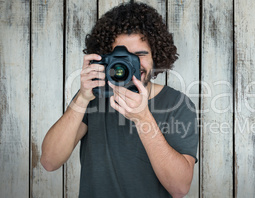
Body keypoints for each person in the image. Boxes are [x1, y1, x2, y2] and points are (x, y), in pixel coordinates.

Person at [40, 1, 199, 197]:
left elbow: (180, 188)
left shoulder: (178, 104)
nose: (131, 64)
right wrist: (82, 97)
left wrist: (143, 118)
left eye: (140, 55)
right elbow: (49, 161)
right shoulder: (93, 97)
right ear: (105, 58)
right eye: (122, 56)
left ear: (155, 56)